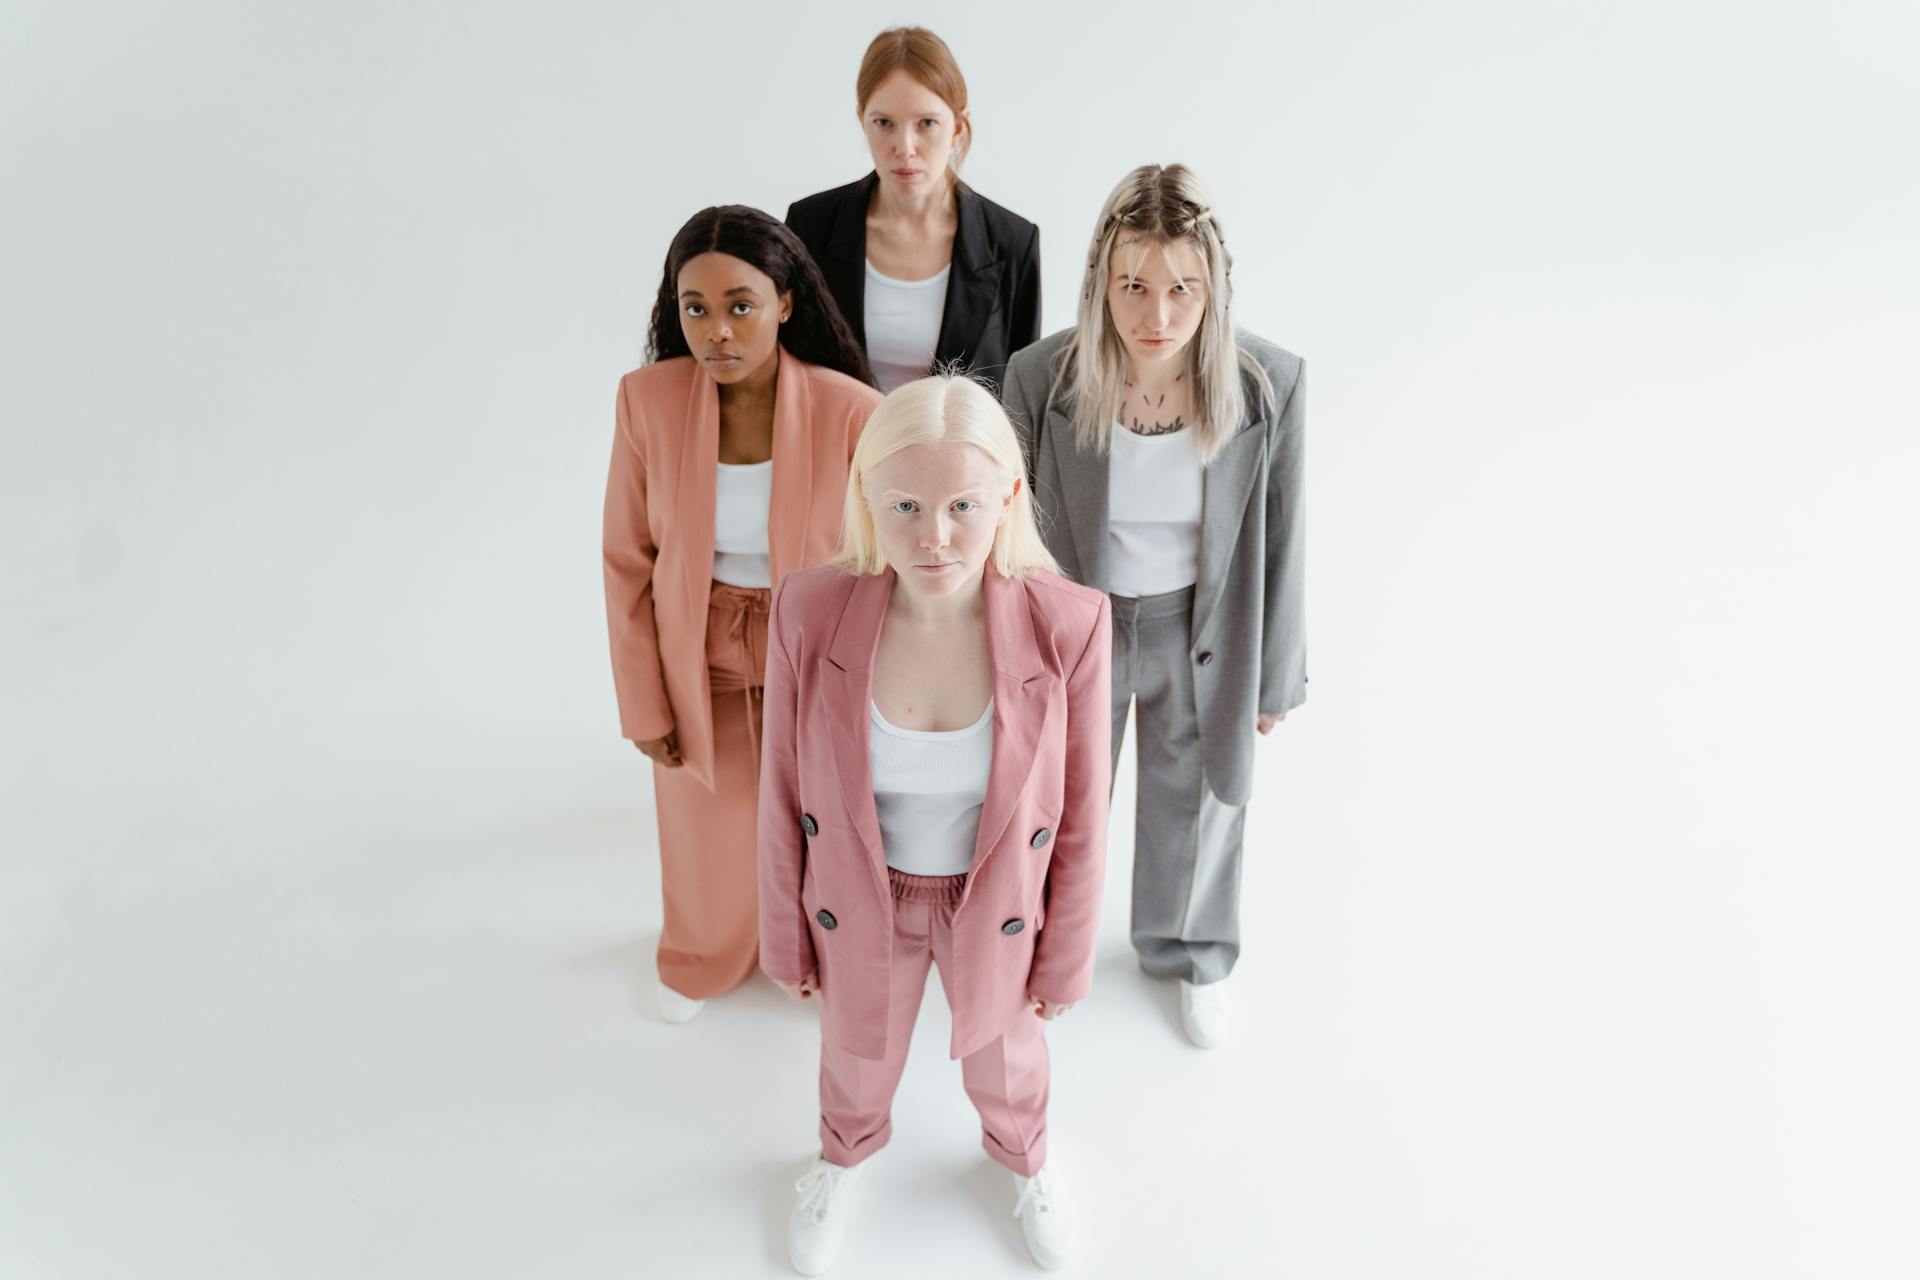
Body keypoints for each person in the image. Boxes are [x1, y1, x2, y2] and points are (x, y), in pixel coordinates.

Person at [758, 374, 1111, 1273]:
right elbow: (781, 789)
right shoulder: (809, 609)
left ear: (1009, 498)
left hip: (990, 897)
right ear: (866, 498)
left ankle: (1025, 1159)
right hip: (862, 891)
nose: (935, 536)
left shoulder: (1068, 624)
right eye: (906, 504)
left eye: (962, 504)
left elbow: (1079, 818)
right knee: (855, 1049)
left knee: (1006, 1056)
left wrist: (1066, 956)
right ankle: (843, 1155)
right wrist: (786, 941)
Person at [1001, 163, 1307, 1050]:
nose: (1157, 317)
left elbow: (1285, 536)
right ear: (1101, 280)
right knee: (1058, 803)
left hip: (1197, 630)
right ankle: (1049, 953)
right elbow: (1010, 535)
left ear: (1214, 288)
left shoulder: (1267, 384)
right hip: (1078, 632)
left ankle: (1189, 954)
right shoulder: (1039, 378)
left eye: (1183, 290)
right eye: (1133, 287)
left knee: (1198, 800)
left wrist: (1275, 676)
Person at [604, 205, 880, 1024]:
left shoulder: (850, 409)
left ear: (785, 303)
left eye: (739, 305)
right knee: (706, 823)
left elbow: (881, 561)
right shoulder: (646, 401)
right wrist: (643, 703)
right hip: (700, 644)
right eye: (695, 308)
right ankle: (700, 954)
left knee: (826, 819)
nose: (716, 330)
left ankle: (828, 957)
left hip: (818, 644)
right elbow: (626, 562)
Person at [786, 26, 1041, 392]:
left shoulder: (1011, 242)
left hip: (959, 449)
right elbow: (789, 371)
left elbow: (1022, 398)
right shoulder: (810, 226)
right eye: (884, 123)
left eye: (926, 124)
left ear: (957, 126)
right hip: (839, 449)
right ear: (862, 120)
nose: (904, 147)